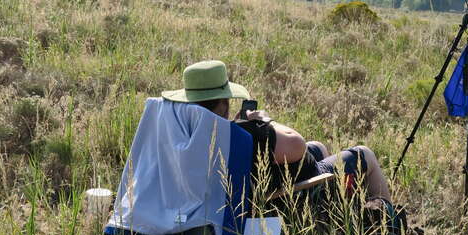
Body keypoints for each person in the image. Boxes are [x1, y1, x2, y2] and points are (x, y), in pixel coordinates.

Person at [162, 60, 393, 209]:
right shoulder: (245, 135)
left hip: (250, 190)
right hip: (289, 189)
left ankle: (335, 205)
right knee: (364, 154)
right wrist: (264, 121)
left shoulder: (185, 137)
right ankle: (384, 220)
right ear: (224, 102)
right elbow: (296, 144)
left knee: (320, 147)